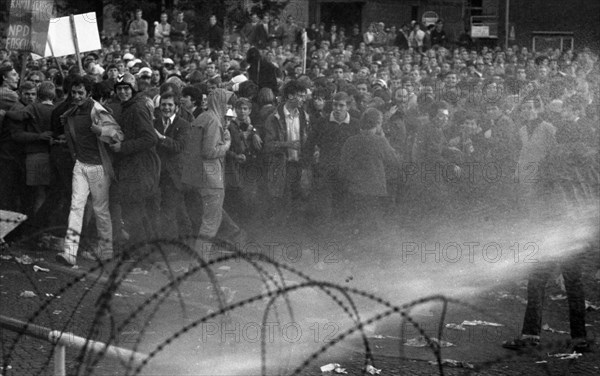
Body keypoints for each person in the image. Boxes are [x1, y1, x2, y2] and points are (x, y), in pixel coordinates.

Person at [55, 76, 114, 266]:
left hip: (98, 167)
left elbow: (117, 136)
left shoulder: (98, 110)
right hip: (80, 165)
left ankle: (106, 252)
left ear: (89, 93)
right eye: (73, 93)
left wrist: (101, 131)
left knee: (100, 210)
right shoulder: (71, 112)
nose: (77, 96)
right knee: (76, 207)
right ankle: (69, 253)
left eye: (81, 93)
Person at [183, 88, 246, 255]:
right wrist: (226, 144)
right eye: (227, 103)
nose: (229, 108)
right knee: (210, 223)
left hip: (198, 174)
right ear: (219, 102)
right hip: (211, 176)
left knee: (209, 219)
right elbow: (209, 151)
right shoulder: (213, 121)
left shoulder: (202, 117)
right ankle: (200, 261)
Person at [109, 73, 161, 262]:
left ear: (133, 89)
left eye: (126, 89)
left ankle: (143, 254)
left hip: (139, 167)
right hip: (134, 165)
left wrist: (123, 147)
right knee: (136, 210)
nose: (123, 92)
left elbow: (150, 138)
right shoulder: (130, 107)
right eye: (119, 89)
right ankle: (144, 252)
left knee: (135, 211)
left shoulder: (137, 108)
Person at [339, 107, 400, 234]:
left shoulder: (350, 141)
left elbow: (343, 167)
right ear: (378, 124)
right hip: (375, 190)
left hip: (353, 189)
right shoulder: (380, 141)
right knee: (373, 226)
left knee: (356, 224)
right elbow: (394, 162)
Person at [302, 91, 360, 224]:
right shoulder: (322, 122)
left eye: (341, 106)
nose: (337, 109)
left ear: (348, 107)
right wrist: (306, 167)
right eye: (335, 105)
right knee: (324, 207)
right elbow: (309, 144)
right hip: (325, 170)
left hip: (346, 172)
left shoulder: (355, 124)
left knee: (344, 205)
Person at [264, 80, 310, 224]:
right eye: (300, 96)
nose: (304, 99)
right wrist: (287, 144)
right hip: (282, 165)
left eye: (304, 96)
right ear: (290, 96)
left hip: (300, 166)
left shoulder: (304, 116)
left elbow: (307, 139)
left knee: (299, 202)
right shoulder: (274, 117)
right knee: (283, 203)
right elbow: (268, 145)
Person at [153, 92, 192, 242]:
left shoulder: (183, 125)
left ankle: (174, 247)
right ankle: (185, 244)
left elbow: (179, 146)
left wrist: (161, 137)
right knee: (177, 210)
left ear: (176, 107)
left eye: (170, 105)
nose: (166, 108)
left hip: (175, 175)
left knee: (170, 211)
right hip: (159, 174)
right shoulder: (155, 123)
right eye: (163, 104)